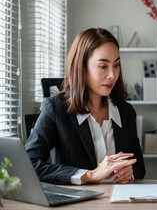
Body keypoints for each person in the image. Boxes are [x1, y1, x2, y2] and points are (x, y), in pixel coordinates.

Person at [26, 28, 145, 185]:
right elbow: (29, 164)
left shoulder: (126, 111)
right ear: (81, 67)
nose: (112, 75)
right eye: (103, 66)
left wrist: (130, 173)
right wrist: (89, 175)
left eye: (116, 65)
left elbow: (139, 168)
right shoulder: (55, 109)